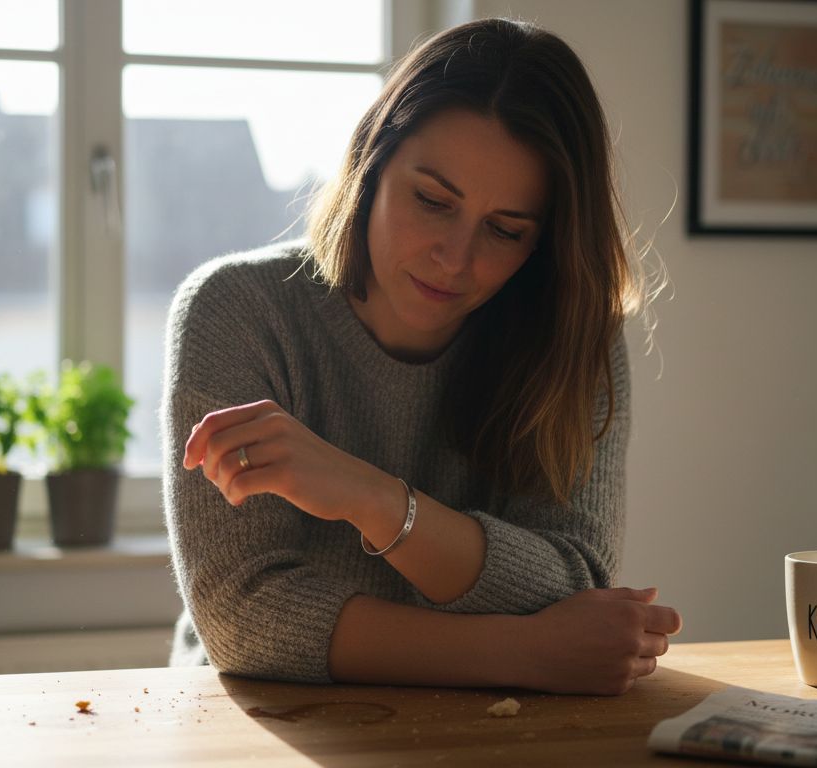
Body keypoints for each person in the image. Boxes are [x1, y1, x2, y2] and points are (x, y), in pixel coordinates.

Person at [161, 17, 680, 696]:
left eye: (505, 229)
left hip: (494, 731)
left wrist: (371, 499)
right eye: (433, 201)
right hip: (263, 727)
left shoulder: (575, 337)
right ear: (371, 167)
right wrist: (521, 652)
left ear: (543, 245)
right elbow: (244, 618)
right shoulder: (236, 311)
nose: (455, 259)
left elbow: (575, 579)